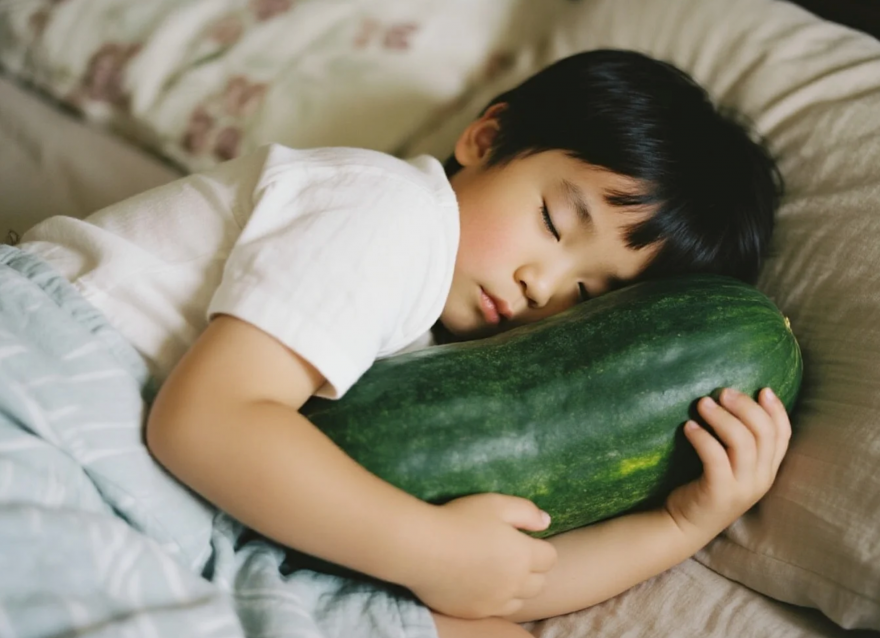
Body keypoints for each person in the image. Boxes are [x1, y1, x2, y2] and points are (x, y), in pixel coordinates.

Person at [16, 49, 790, 637]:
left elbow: (502, 576)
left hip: (176, 487)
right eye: (555, 222)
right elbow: (206, 421)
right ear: (486, 138)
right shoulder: (387, 212)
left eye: (584, 296)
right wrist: (430, 551)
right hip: (54, 378)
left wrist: (681, 524)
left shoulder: (438, 354)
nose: (539, 284)